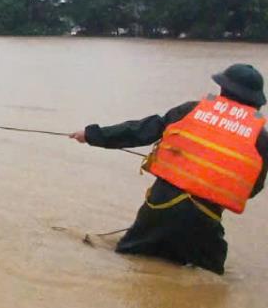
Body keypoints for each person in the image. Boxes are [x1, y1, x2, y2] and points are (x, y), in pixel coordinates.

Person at [69, 64, 267, 275]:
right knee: (212, 278)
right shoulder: (261, 139)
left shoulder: (191, 110)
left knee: (128, 257)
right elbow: (251, 188)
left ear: (222, 89)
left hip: (159, 209)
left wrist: (90, 135)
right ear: (255, 101)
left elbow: (140, 131)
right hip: (204, 221)